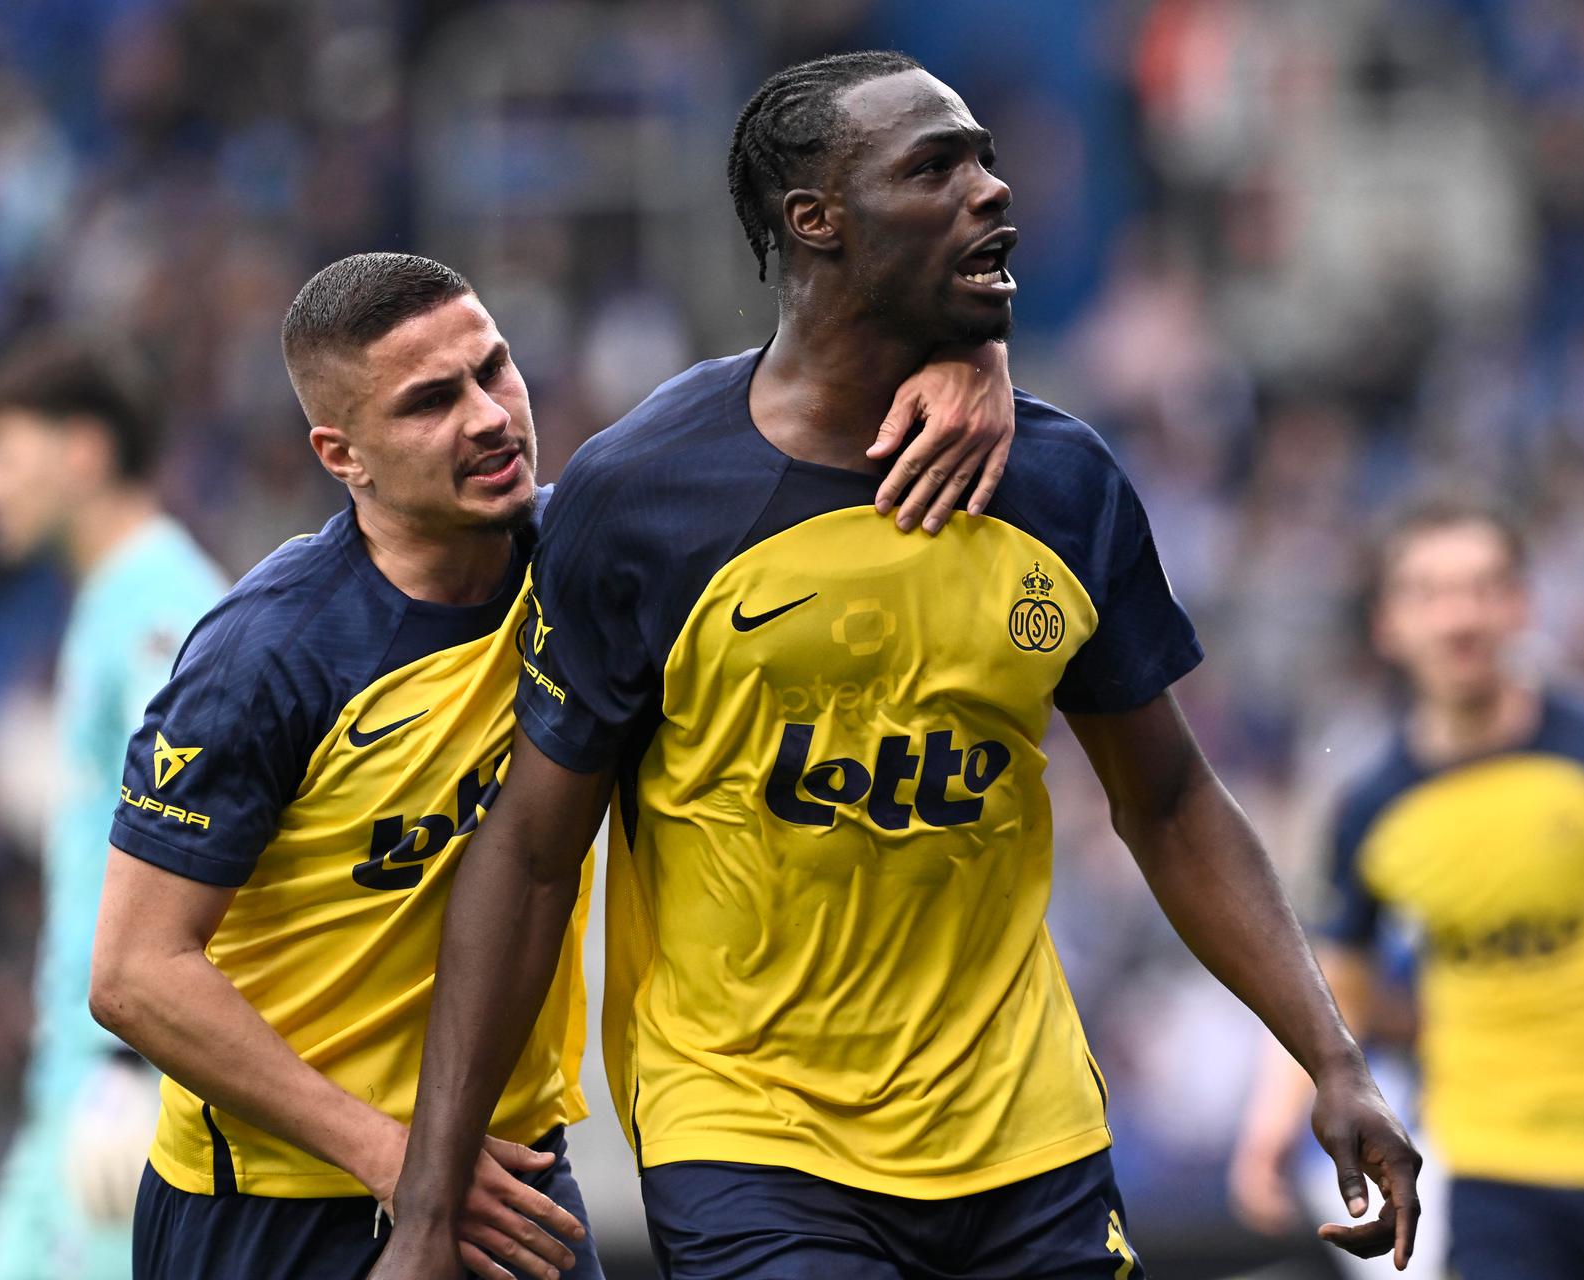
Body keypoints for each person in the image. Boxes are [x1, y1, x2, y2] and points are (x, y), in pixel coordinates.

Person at [376, 50, 1422, 1280]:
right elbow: (534, 852)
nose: (992, 191)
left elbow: (1172, 799)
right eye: (937, 168)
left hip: (1024, 1132)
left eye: (984, 157)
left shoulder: (1061, 481)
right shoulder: (644, 497)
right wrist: (431, 1199)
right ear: (815, 221)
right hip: (754, 1131)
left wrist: (1332, 1055)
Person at [87, 250, 1016, 1280]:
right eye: (431, 402)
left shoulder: (598, 556)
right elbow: (137, 972)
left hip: (514, 1172)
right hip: (275, 1205)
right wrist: (401, 1162)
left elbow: (786, 404)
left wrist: (974, 355)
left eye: (494, 369)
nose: (488, 415)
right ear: (340, 453)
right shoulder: (267, 656)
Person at [1228, 496, 1584, 1280]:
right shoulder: (1374, 808)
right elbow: (1333, 980)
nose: (1461, 617)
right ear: (1388, 623)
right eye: (1431, 592)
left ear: (1521, 604)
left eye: (1484, 588)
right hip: (1492, 1161)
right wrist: (1271, 1122)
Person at [0, 337, 229, 1280]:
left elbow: (196, 813)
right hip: (83, 1079)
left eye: (2, 452)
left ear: (83, 453)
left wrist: (130, 1069)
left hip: (119, 1085)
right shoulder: (107, 601)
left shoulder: (157, 601)